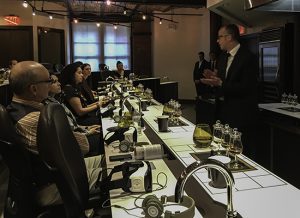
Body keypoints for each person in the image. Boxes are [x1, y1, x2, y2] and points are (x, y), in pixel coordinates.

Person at [7, 61, 104, 207]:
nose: (52, 83)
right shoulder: (34, 119)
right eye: (48, 81)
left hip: (59, 171)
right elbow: (81, 147)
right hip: (56, 185)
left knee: (110, 159)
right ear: (33, 89)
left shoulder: (16, 108)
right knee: (118, 170)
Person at [201, 24, 258, 158]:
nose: (217, 40)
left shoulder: (248, 58)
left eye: (220, 37)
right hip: (223, 111)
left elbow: (246, 87)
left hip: (240, 114)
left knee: (240, 152)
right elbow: (222, 83)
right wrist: (213, 80)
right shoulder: (223, 57)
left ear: (229, 37)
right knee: (223, 148)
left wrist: (220, 82)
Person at [45, 73, 103, 155]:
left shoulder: (56, 100)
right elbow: (65, 134)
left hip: (79, 132)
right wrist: (88, 132)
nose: (59, 83)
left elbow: (72, 125)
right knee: (104, 138)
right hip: (76, 141)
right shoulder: (49, 106)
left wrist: (87, 128)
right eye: (54, 82)